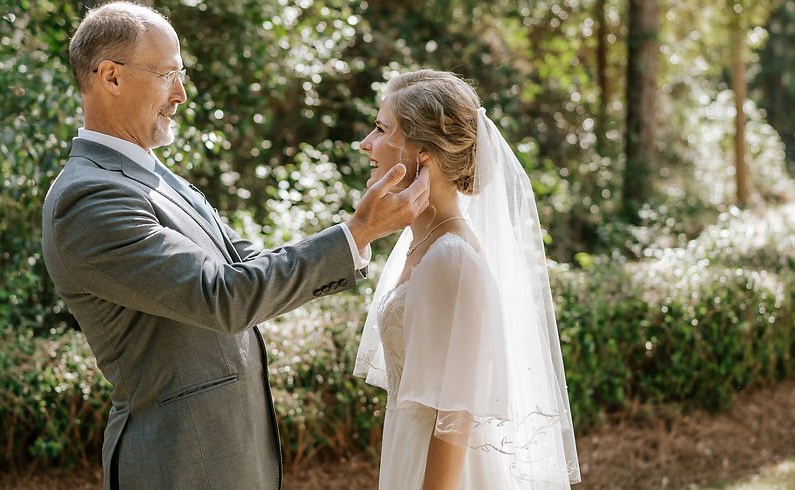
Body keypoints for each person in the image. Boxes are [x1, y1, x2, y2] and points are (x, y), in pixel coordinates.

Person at [40, 3, 429, 489]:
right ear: (111, 77)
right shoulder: (89, 199)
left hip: (228, 456)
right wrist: (358, 233)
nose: (180, 94)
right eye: (167, 75)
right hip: (178, 464)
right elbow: (224, 297)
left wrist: (357, 232)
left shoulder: (156, 179)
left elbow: (249, 266)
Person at [353, 69, 581, 489]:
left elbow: (454, 418)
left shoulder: (450, 258)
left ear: (421, 151)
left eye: (381, 129)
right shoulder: (417, 242)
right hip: (407, 452)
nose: (365, 143)